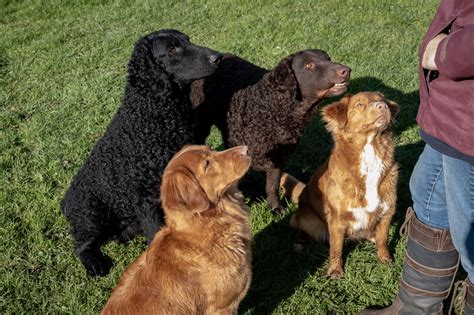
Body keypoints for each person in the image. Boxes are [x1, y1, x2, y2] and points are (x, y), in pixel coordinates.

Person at [362, 1, 474, 314]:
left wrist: (444, 53)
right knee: (428, 192)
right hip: (457, 106)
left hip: (469, 114)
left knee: (471, 233)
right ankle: (417, 308)